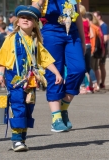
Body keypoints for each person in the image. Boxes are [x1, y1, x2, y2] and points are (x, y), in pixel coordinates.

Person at [0, 5, 62, 151]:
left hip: (31, 81)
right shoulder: (10, 38)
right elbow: (3, 59)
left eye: (30, 18)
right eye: (23, 17)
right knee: (18, 106)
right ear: (17, 22)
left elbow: (45, 59)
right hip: (15, 80)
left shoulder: (36, 41)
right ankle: (16, 140)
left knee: (28, 108)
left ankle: (22, 139)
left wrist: (57, 73)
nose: (26, 20)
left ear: (35, 23)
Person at [32, 0, 86, 132]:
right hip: (51, 31)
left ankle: (63, 108)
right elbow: (33, 12)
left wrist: (83, 39)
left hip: (72, 33)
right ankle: (56, 118)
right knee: (55, 72)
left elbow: (77, 15)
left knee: (79, 69)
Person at [85, 13, 105, 92]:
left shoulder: (92, 27)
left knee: (91, 68)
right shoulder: (97, 27)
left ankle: (91, 86)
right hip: (98, 51)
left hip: (92, 50)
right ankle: (96, 85)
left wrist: (92, 50)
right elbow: (101, 39)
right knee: (96, 68)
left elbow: (92, 38)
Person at [93, 11, 108, 90]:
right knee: (97, 66)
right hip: (98, 49)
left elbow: (105, 39)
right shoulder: (97, 26)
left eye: (95, 16)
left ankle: (102, 83)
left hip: (102, 49)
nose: (93, 18)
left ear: (99, 17)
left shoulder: (104, 26)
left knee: (101, 65)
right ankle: (99, 83)